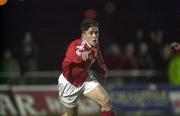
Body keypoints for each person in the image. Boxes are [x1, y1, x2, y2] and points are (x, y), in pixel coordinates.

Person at [57, 18, 115, 116]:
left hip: (85, 79)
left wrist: (103, 69)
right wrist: (80, 55)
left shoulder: (95, 44)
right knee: (72, 114)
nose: (95, 36)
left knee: (106, 101)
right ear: (84, 36)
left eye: (96, 32)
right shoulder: (76, 45)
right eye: (91, 33)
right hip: (69, 83)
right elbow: (71, 56)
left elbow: (98, 56)